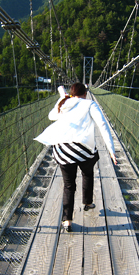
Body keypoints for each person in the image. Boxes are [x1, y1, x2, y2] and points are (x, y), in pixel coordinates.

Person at [34, 83, 117, 232]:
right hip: (84, 150)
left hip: (63, 150)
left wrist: (62, 99)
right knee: (88, 171)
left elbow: (51, 116)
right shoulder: (90, 104)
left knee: (69, 185)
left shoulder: (64, 103)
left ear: (72, 94)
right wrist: (111, 150)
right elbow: (103, 124)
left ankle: (67, 221)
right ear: (85, 93)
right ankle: (87, 202)